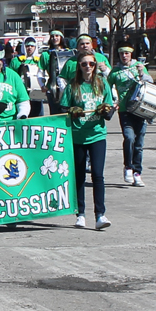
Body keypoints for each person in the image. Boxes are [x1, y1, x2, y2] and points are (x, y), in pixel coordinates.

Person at [60, 51, 114, 230]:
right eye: (84, 64)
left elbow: (109, 105)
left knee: (98, 174)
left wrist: (107, 112)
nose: (88, 67)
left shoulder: (102, 83)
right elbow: (64, 108)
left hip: (97, 134)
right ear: (79, 66)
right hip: (77, 136)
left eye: (91, 64)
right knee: (79, 176)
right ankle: (80, 214)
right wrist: (72, 111)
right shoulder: (73, 86)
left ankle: (100, 214)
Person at [108, 43, 154, 187]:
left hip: (140, 109)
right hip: (124, 110)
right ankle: (128, 166)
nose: (124, 56)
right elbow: (106, 87)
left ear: (131, 54)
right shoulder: (115, 72)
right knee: (129, 138)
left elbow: (150, 82)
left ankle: (137, 172)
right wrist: (112, 102)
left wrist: (141, 73)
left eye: (127, 53)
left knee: (139, 144)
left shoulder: (139, 66)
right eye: (122, 53)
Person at [37, 30, 71, 115]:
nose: (54, 38)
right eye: (52, 36)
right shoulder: (46, 55)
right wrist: (42, 85)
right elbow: (40, 72)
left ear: (61, 38)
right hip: (52, 88)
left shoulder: (69, 53)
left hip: (68, 87)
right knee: (55, 114)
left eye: (57, 36)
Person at [8, 36, 44, 117]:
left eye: (32, 46)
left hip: (36, 95)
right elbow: (11, 77)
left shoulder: (40, 60)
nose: (30, 48)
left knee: (37, 118)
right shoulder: (16, 61)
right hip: (21, 95)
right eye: (27, 46)